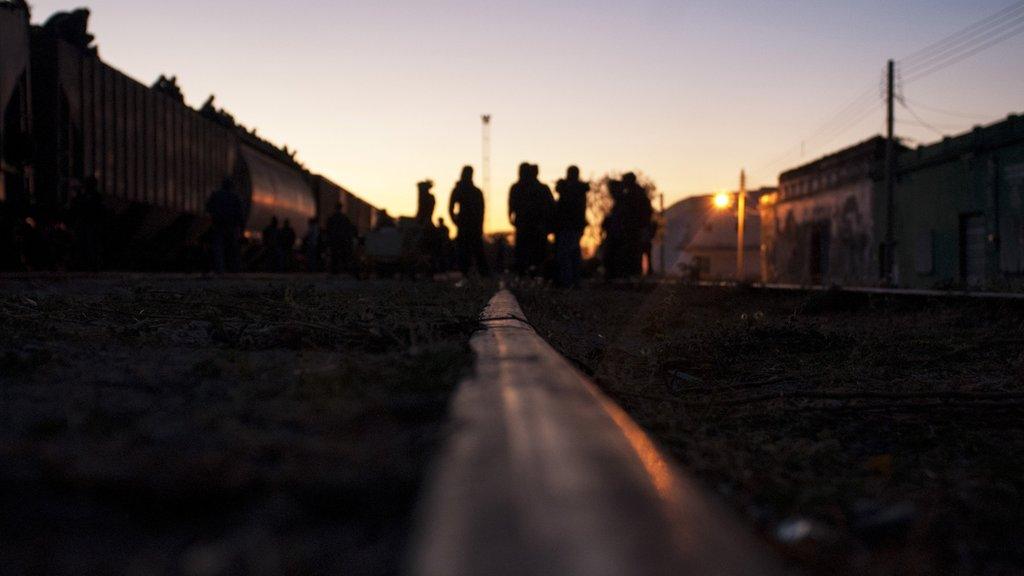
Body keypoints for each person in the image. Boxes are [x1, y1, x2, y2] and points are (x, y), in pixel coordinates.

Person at [508, 162, 554, 276]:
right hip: (528, 225)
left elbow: (550, 207)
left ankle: (533, 275)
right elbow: (511, 204)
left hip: (535, 225)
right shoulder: (519, 187)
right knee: (527, 254)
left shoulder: (539, 188)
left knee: (534, 254)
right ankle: (529, 275)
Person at [448, 165, 490, 277]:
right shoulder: (465, 190)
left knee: (476, 250)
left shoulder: (474, 191)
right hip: (465, 224)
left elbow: (481, 211)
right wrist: (455, 221)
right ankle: (468, 272)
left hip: (472, 225)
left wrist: (479, 225)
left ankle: (482, 273)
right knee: (465, 251)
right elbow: (451, 208)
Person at [554, 166, 589, 287]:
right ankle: (574, 281)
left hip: (568, 226)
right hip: (574, 226)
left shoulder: (571, 189)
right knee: (573, 254)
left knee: (566, 254)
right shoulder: (580, 190)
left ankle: (568, 281)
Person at [206, 178, 244, 273]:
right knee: (232, 248)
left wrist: (215, 215)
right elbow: (240, 212)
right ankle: (234, 268)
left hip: (218, 224)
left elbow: (208, 207)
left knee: (218, 247)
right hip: (231, 225)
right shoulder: (235, 197)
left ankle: (219, 268)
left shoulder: (216, 195)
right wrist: (240, 225)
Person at [621, 173, 653, 277]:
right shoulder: (640, 194)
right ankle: (643, 271)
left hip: (636, 227)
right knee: (643, 249)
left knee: (637, 249)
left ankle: (636, 272)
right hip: (641, 226)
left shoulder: (632, 195)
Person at [71, 176, 105, 271]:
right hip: (88, 224)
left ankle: (90, 264)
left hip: (90, 224)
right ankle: (87, 264)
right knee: (86, 245)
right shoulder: (93, 196)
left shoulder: (93, 197)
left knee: (89, 245)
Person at [325, 204, 356, 275]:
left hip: (334, 241)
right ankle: (343, 270)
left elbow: (328, 230)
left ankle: (335, 270)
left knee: (334, 256)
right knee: (343, 256)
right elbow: (349, 230)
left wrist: (328, 240)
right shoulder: (345, 218)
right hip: (342, 241)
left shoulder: (331, 218)